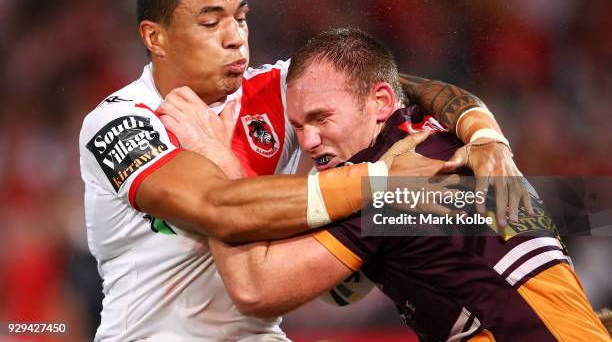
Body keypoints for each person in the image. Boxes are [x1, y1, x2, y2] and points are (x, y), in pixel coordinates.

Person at [79, 0, 527, 341]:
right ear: (154, 37)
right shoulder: (120, 122)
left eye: (241, 17)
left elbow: (393, 86)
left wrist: (486, 135)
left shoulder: (277, 89)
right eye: (211, 22)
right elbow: (217, 207)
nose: (235, 37)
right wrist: (382, 183)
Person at [164, 28, 609, 341]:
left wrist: (212, 155)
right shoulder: (438, 137)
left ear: (379, 102)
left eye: (321, 119)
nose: (307, 141)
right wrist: (486, 130)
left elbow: (255, 289)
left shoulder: (398, 183)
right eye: (297, 126)